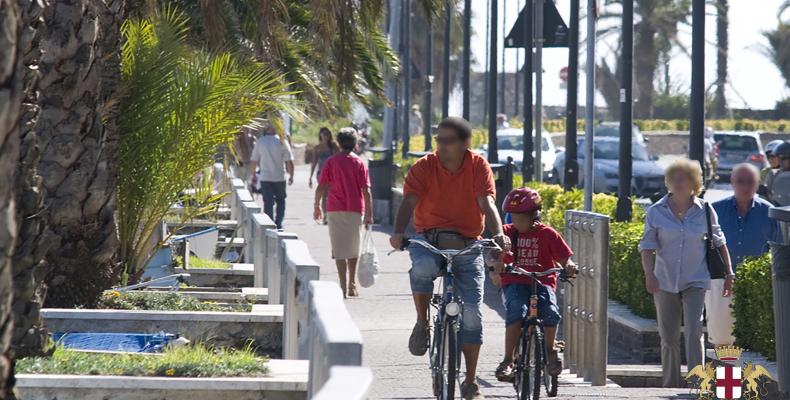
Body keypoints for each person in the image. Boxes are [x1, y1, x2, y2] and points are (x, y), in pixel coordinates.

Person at [389, 116, 510, 400]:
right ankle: (422, 323)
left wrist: (499, 233)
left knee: (472, 316)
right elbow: (409, 200)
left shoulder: (478, 166)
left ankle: (469, 381)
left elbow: (487, 202)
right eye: (438, 140)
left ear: (464, 143)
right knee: (422, 267)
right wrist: (397, 232)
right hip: (429, 240)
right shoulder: (425, 166)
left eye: (448, 141)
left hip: (469, 244)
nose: (441, 146)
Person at [639, 158, 734, 388]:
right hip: (664, 280)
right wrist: (649, 275)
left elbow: (719, 241)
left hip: (696, 278)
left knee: (694, 330)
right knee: (668, 337)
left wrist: (729, 272)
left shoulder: (705, 210)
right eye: (674, 179)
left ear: (694, 183)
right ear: (668, 182)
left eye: (684, 179)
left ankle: (696, 384)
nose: (678, 183)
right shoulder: (656, 211)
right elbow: (647, 247)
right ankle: (670, 384)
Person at [492, 188, 576, 382]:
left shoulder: (548, 234)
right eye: (513, 217)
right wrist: (495, 264)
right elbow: (490, 251)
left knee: (551, 312)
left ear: (535, 216)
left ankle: (550, 351)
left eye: (521, 218)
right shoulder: (506, 233)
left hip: (543, 281)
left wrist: (569, 266)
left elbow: (565, 258)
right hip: (515, 281)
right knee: (516, 311)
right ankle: (508, 360)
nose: (516, 222)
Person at [709, 164, 781, 347]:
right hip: (722, 284)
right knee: (724, 340)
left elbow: (778, 251)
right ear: (732, 182)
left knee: (753, 342)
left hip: (755, 286)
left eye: (750, 182)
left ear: (758, 184)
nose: (745, 186)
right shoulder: (715, 210)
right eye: (740, 181)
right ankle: (728, 378)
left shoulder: (770, 212)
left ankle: (747, 377)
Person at [314, 128, 373, 298]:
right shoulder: (359, 163)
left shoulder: (332, 162)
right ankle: (352, 284)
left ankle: (342, 285)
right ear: (355, 144)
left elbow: (322, 186)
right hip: (355, 208)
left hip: (334, 208)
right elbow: (366, 191)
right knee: (354, 247)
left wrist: (316, 206)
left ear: (338, 143)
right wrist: (369, 214)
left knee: (339, 248)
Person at [248, 123, 294, 229]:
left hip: (265, 177)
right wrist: (291, 175)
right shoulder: (283, 141)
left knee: (268, 201)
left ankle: (269, 223)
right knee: (281, 200)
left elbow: (254, 160)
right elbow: (289, 161)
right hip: (279, 177)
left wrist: (253, 174)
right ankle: (278, 222)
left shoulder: (261, 141)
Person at [309, 127, 340, 224]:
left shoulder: (334, 146)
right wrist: (310, 177)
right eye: (324, 134)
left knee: (332, 194)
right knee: (324, 194)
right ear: (320, 135)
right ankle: (326, 216)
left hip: (333, 173)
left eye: (327, 134)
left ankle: (332, 214)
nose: (326, 136)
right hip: (321, 174)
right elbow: (314, 163)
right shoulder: (317, 148)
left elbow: (339, 159)